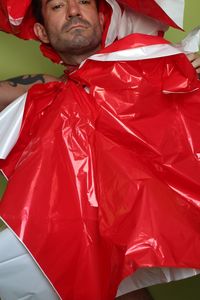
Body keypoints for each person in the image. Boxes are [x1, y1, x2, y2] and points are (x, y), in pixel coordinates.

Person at [1, 0, 200, 299]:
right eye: (57, 6)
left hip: (164, 218)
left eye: (83, 1)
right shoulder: (46, 93)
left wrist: (182, 71)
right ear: (41, 31)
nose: (73, 11)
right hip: (86, 234)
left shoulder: (153, 63)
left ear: (101, 17)